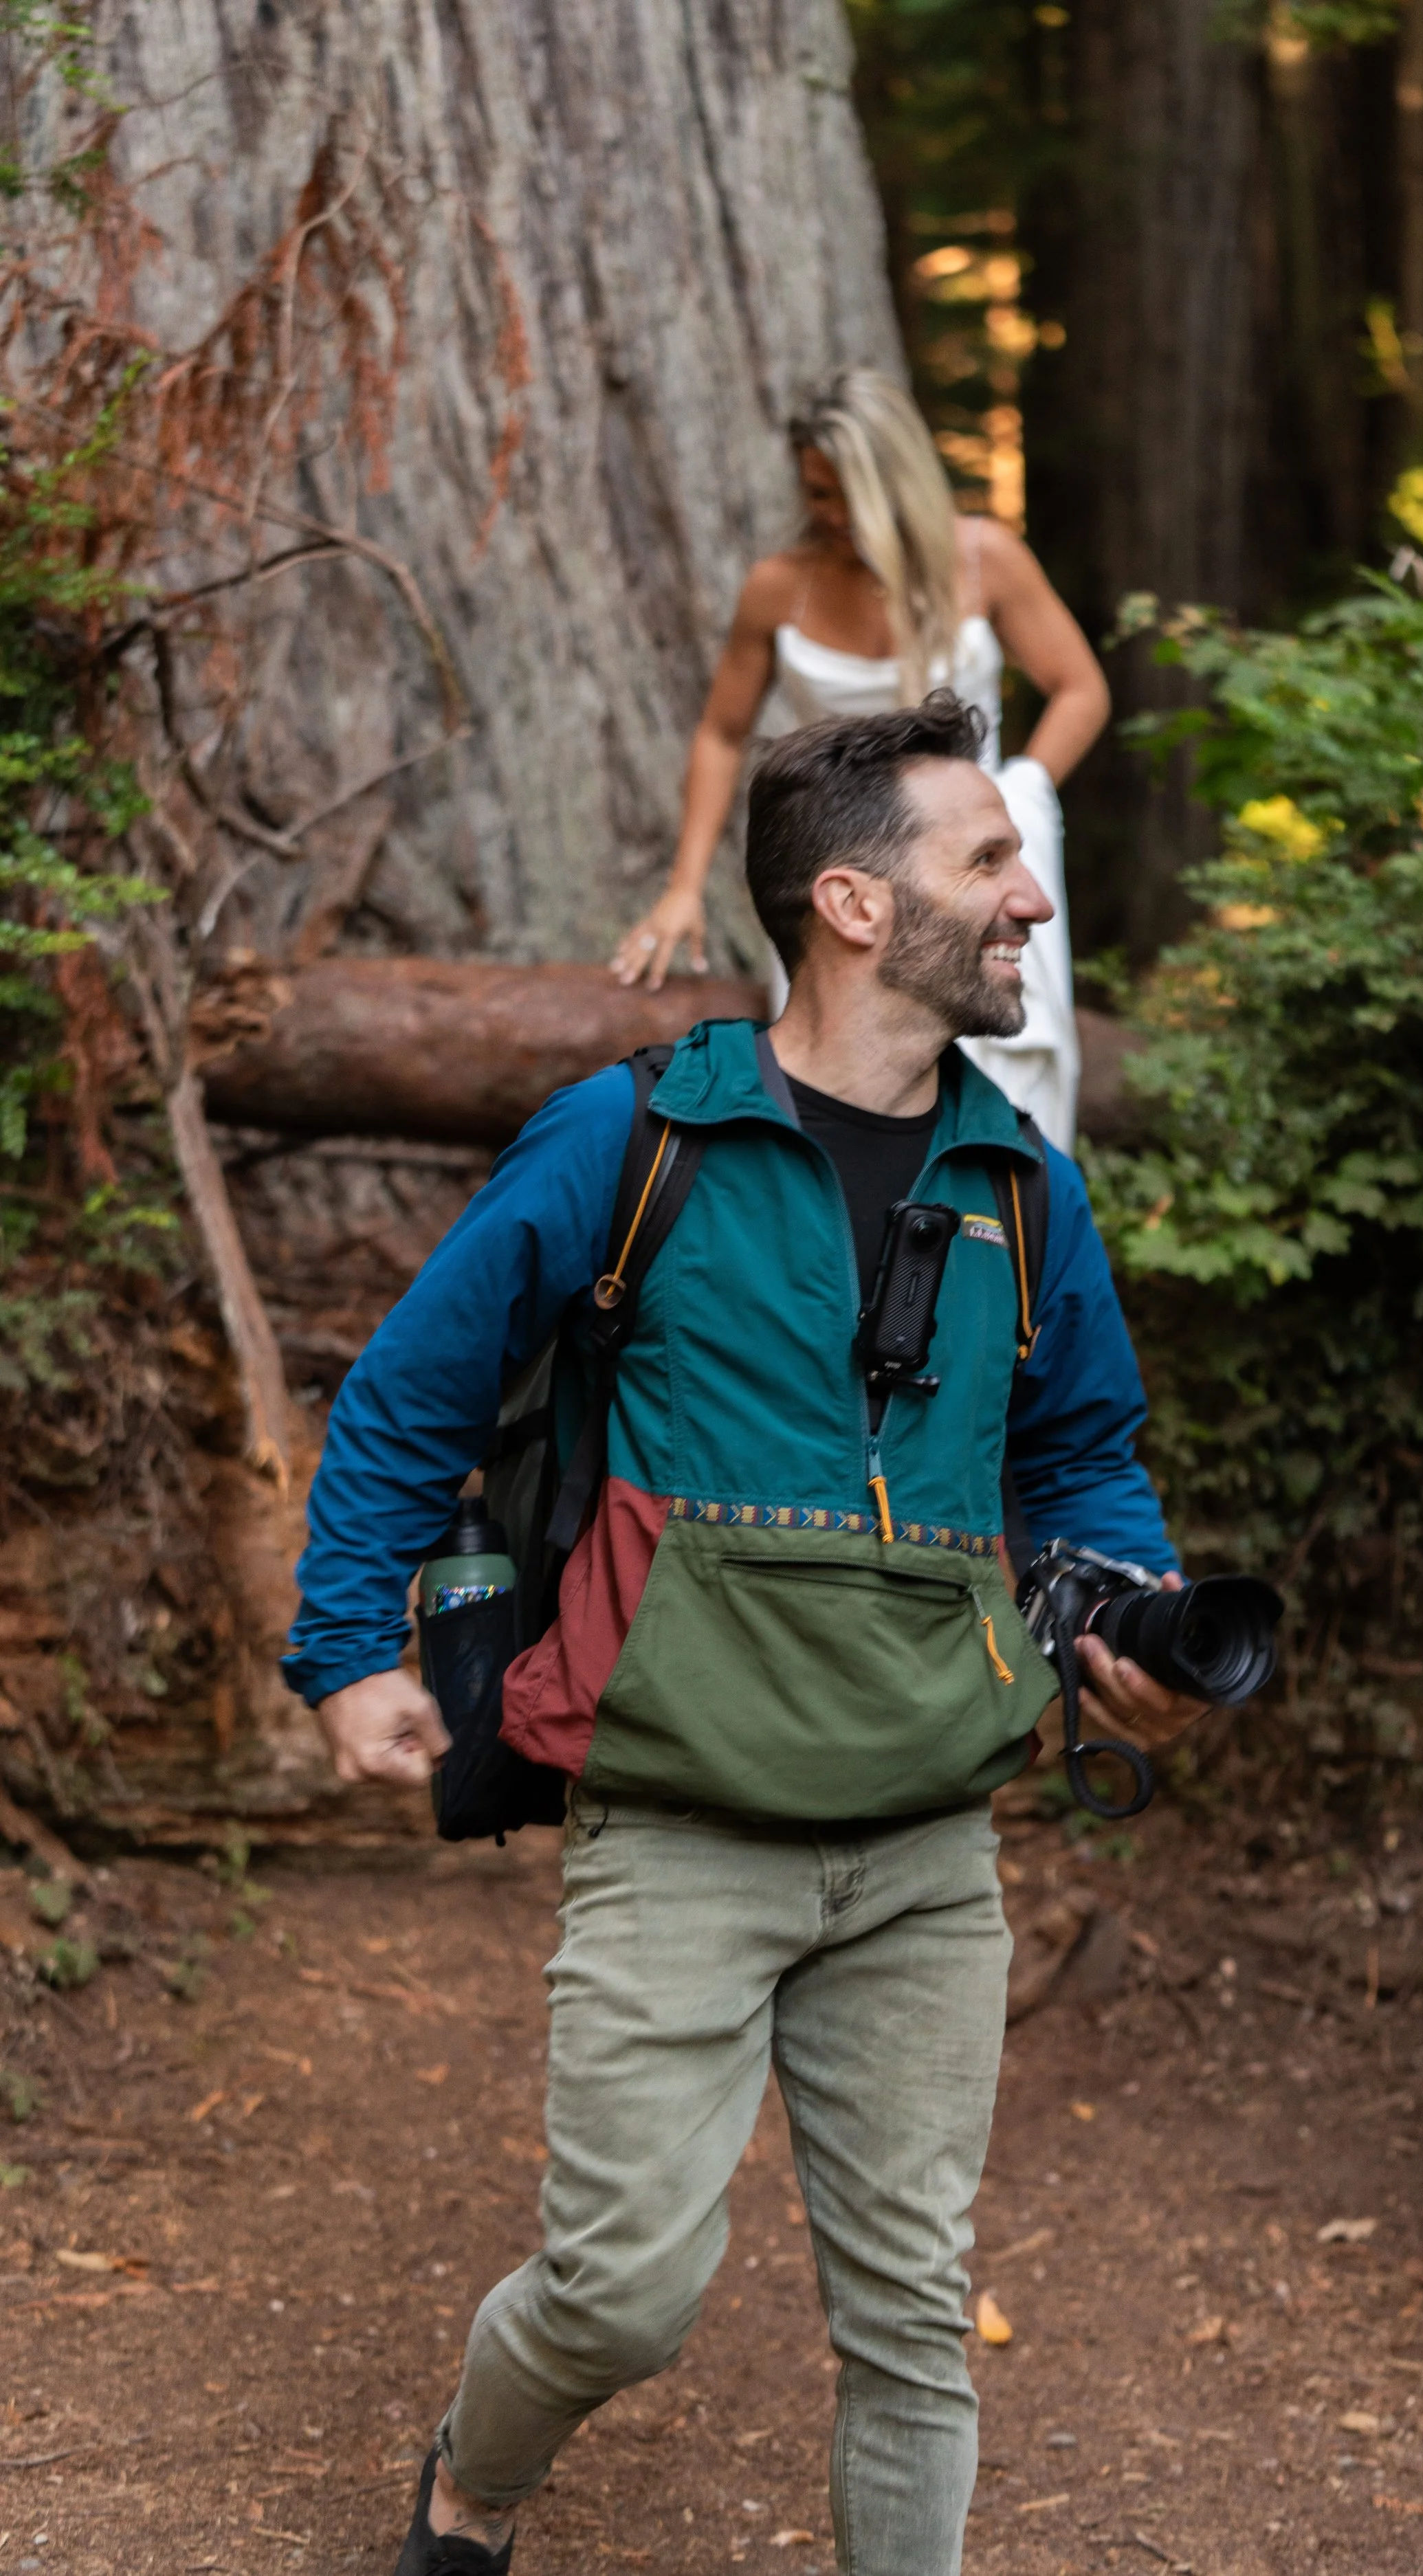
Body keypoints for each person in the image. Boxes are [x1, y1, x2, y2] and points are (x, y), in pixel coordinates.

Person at [286, 694, 1200, 2576]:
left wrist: (1134, 1612)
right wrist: (346, 1651)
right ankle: (476, 2477)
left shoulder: (1024, 1186)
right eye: (988, 859)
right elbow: (409, 1393)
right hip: (680, 1813)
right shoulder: (637, 1138)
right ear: (853, 903)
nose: (1032, 899)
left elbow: (1079, 1452)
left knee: (913, 2323)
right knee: (622, 2292)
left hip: (927, 1839)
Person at [609, 368, 1111, 1155]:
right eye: (817, 495)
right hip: (840, 875)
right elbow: (720, 733)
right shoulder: (780, 587)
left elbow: (1079, 688)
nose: (836, 517)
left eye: (851, 494)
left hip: (970, 868)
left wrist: (1014, 803)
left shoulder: (984, 558)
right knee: (838, 1079)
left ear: (898, 479)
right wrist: (682, 888)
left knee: (997, 1055)